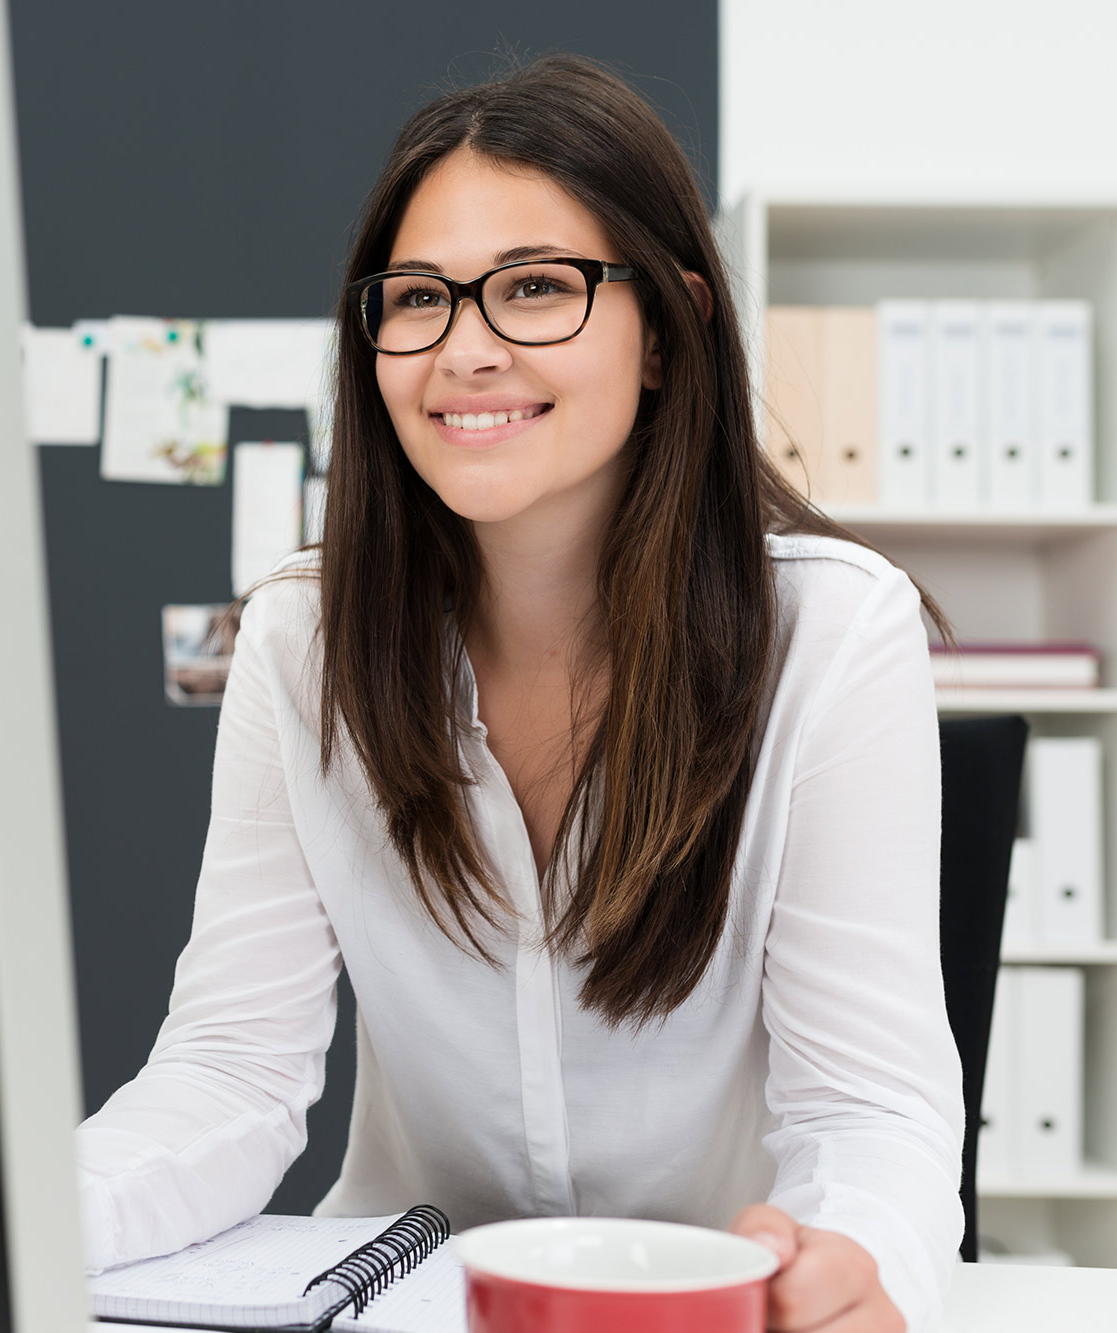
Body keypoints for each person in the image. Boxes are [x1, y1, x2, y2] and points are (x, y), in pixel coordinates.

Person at [75, 54, 962, 1333]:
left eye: (537, 288)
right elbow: (229, 1075)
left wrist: (851, 1273)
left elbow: (866, 1111)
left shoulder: (827, 633)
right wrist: (23, 1218)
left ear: (666, 329)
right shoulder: (299, 642)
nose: (466, 349)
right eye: (418, 297)